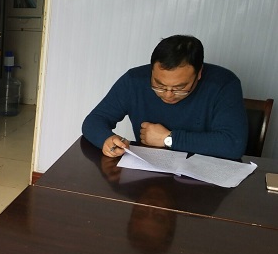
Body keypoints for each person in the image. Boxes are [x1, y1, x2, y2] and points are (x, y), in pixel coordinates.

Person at [82, 34, 248, 160]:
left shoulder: (223, 84)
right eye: (159, 85)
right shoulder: (134, 80)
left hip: (204, 181)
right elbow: (94, 120)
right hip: (149, 175)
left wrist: (169, 139)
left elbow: (233, 144)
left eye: (180, 88)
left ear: (199, 74)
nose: (168, 94)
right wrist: (106, 139)